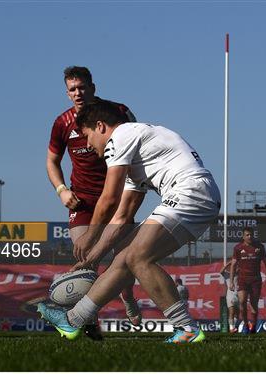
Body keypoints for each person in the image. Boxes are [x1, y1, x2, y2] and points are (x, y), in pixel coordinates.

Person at [38, 100, 221, 344]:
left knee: (138, 258)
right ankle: (73, 320)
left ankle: (186, 328)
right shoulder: (136, 156)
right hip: (194, 194)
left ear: (100, 126)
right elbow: (122, 217)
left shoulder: (122, 136)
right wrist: (90, 259)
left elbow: (109, 198)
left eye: (87, 136)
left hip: (190, 192)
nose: (89, 146)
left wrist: (89, 237)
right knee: (124, 257)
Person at [46, 66, 140, 340]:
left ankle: (128, 295)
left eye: (82, 87)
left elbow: (137, 144)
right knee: (86, 260)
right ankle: (89, 324)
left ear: (93, 87)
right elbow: (51, 161)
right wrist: (62, 190)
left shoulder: (118, 111)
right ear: (67, 93)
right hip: (84, 202)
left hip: (118, 197)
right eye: (72, 89)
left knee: (124, 259)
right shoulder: (62, 122)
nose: (78, 93)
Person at [230, 227, 266, 334]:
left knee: (254, 305)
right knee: (242, 302)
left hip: (255, 280)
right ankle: (245, 324)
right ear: (243, 236)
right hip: (242, 279)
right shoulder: (238, 248)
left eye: (251, 235)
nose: (250, 237)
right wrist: (231, 281)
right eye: (247, 235)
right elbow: (233, 264)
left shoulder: (259, 247)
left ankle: (253, 326)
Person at [220, 260, 239, 333]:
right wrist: (229, 263)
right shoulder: (227, 275)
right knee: (231, 312)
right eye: (234, 267)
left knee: (237, 313)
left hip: (239, 295)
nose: (235, 269)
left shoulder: (241, 275)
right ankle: (231, 328)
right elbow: (221, 271)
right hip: (230, 295)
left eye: (236, 267)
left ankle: (234, 327)